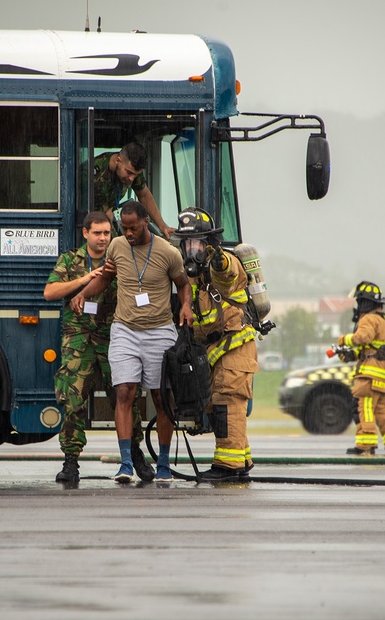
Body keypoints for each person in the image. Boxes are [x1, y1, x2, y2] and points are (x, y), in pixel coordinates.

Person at [70, 200, 192, 483]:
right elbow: (106, 278)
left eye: (132, 228)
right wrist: (84, 293)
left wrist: (185, 306)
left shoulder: (167, 252)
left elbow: (183, 283)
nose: (127, 233)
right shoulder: (117, 247)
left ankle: (163, 463)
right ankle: (125, 463)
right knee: (124, 391)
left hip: (159, 330)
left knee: (161, 398)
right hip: (124, 329)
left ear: (146, 222)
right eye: (123, 228)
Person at [43, 211, 152, 484]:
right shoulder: (70, 259)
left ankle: (135, 454)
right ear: (85, 233)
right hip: (78, 339)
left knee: (125, 396)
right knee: (72, 399)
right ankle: (71, 462)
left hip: (112, 336)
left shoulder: (121, 257)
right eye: (97, 233)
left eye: (107, 233)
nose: (103, 238)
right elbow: (50, 292)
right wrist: (83, 281)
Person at [176, 207, 259, 482]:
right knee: (221, 404)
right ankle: (241, 459)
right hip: (216, 349)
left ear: (210, 244)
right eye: (188, 243)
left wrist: (217, 256)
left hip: (234, 347)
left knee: (227, 403)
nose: (192, 249)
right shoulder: (194, 276)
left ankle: (228, 466)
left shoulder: (225, 263)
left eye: (198, 243)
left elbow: (227, 273)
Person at [337, 281, 385, 456]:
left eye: (359, 302)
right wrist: (349, 355)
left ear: (365, 302)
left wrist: (344, 340)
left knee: (362, 406)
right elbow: (371, 347)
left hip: (370, 376)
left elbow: (363, 338)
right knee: (381, 408)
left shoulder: (368, 319)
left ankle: (366, 444)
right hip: (384, 376)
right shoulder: (383, 320)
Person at [92, 141, 174, 239]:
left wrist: (162, 226)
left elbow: (144, 195)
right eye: (129, 173)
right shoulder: (94, 172)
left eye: (135, 175)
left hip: (108, 220)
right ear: (118, 161)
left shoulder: (131, 171)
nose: (131, 179)